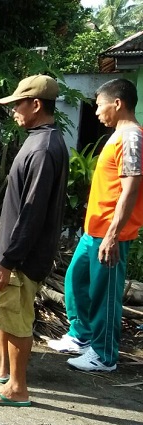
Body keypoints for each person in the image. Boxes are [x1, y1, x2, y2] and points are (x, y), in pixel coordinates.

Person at [0, 75, 68, 407]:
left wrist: (8, 261)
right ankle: (3, 369)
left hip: (24, 256)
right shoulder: (41, 140)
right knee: (6, 314)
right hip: (19, 251)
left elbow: (32, 212)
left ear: (36, 105)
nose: (13, 111)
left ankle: (17, 388)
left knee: (16, 318)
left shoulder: (42, 148)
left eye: (18, 104)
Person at [47, 78, 143, 372]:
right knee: (76, 281)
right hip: (95, 230)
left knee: (106, 294)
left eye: (99, 105)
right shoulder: (117, 136)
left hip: (111, 233)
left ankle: (104, 355)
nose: (97, 111)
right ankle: (81, 336)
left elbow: (131, 188)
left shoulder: (131, 138)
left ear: (118, 103)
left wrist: (113, 236)